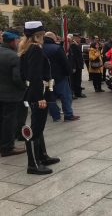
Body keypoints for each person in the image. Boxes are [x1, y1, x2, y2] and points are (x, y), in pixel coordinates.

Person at [19, 21, 60, 175]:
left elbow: (24, 75)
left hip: (35, 91)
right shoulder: (35, 49)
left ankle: (42, 156)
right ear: (39, 35)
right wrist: (39, 97)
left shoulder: (27, 49)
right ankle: (33, 164)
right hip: (39, 93)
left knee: (39, 126)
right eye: (42, 34)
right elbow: (34, 75)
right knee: (35, 129)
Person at [0, 29, 26, 157]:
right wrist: (24, 87)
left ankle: (2, 145)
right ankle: (7, 148)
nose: (18, 42)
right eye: (17, 40)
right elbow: (17, 78)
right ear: (12, 41)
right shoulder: (13, 56)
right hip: (10, 96)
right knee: (9, 122)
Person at [43, 32, 80, 122]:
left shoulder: (39, 48)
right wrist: (69, 72)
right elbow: (64, 62)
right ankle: (68, 114)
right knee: (66, 96)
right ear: (53, 38)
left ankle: (55, 116)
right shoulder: (56, 48)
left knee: (50, 97)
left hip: (46, 78)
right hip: (59, 76)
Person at [69, 33, 86, 98]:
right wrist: (73, 66)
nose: (79, 39)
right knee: (75, 80)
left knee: (78, 80)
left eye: (79, 37)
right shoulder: (73, 45)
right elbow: (73, 57)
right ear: (75, 38)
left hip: (78, 65)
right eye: (78, 38)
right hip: (76, 66)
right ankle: (75, 93)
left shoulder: (77, 44)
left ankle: (77, 92)